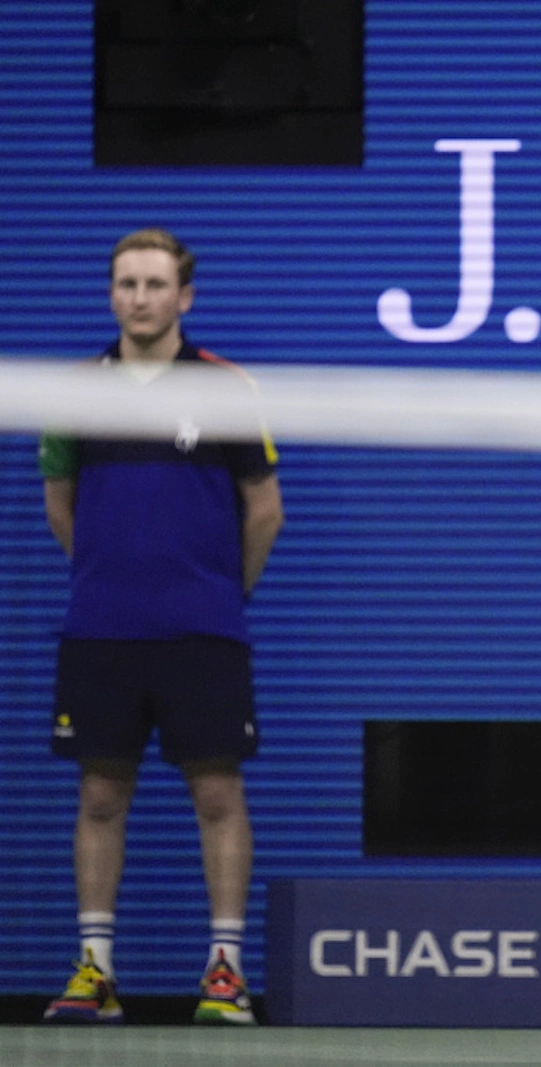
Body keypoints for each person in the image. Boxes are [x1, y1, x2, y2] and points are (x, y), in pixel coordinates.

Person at [37, 227, 284, 1025]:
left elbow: (264, 511)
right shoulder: (74, 391)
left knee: (217, 790)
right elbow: (60, 506)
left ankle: (224, 974)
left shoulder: (224, 388)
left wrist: (213, 592)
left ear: (184, 296)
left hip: (203, 627)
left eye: (153, 284)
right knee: (100, 792)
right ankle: (96, 971)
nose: (138, 297)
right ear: (112, 294)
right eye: (125, 284)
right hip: (101, 628)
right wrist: (114, 578)